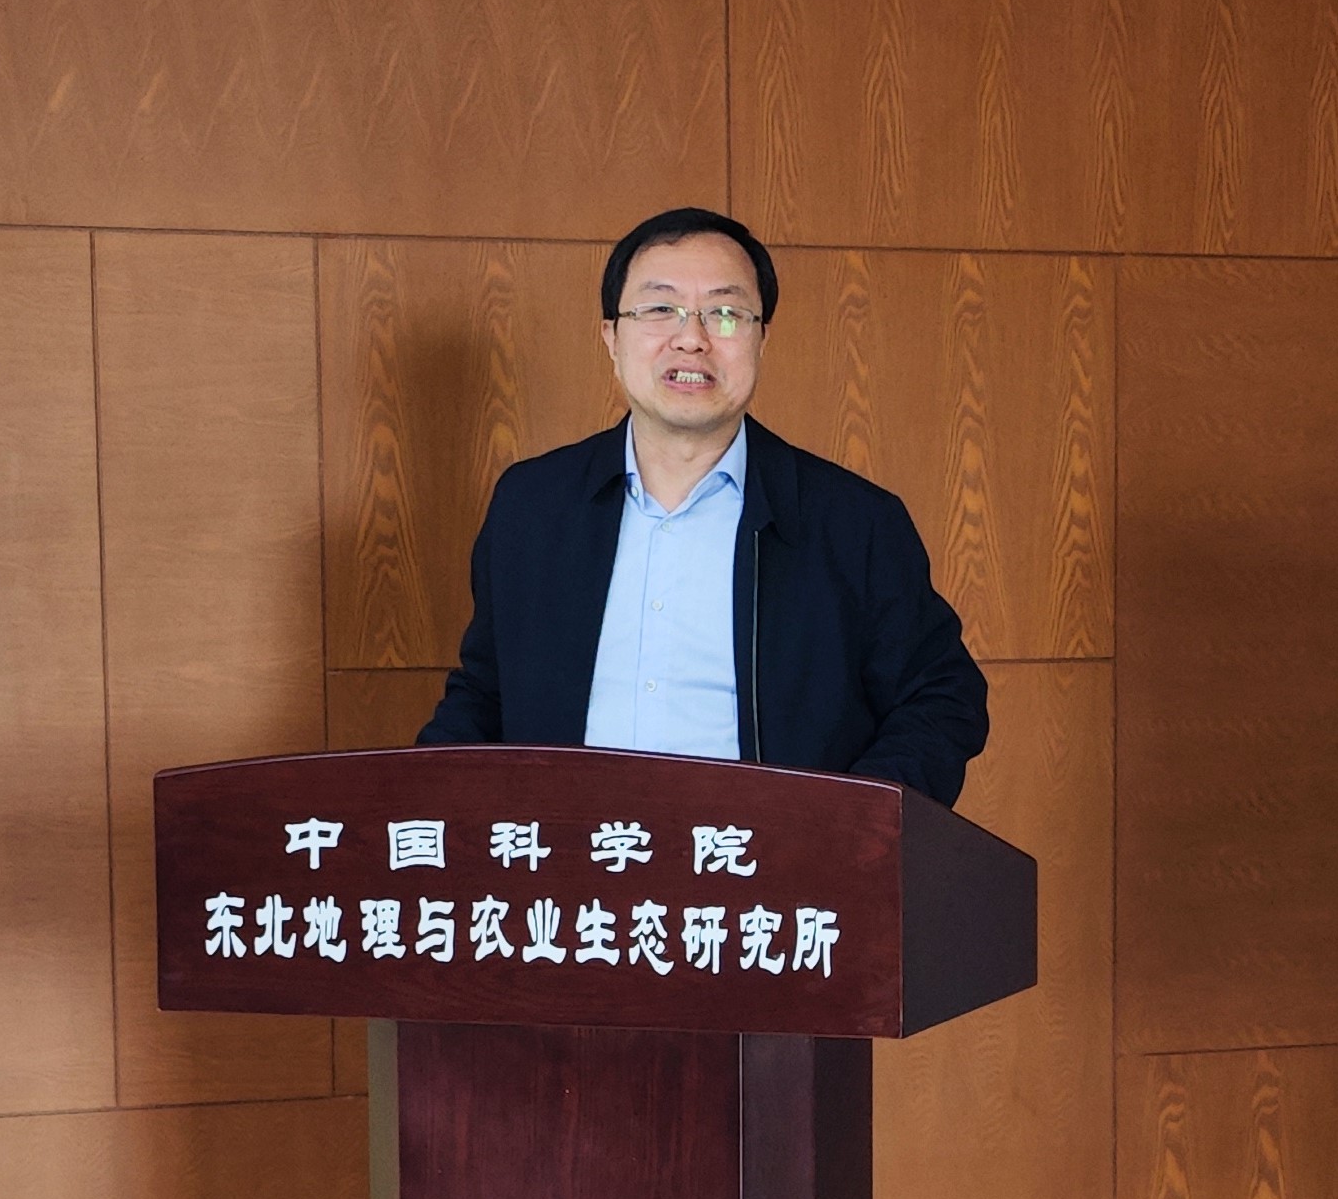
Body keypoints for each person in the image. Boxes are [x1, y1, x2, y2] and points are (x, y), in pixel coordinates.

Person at [416, 207, 989, 805]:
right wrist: (413, 803)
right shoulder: (533, 506)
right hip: (571, 856)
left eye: (725, 313)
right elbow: (486, 694)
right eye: (659, 309)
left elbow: (940, 698)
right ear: (611, 337)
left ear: (762, 339)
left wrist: (849, 825)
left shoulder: (853, 523)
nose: (692, 338)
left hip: (767, 860)